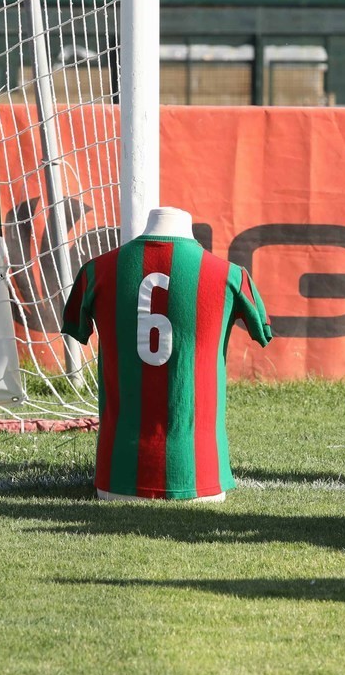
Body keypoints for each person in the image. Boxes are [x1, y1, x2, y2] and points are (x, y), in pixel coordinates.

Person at [61, 206, 273, 502]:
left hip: (117, 478)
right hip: (201, 476)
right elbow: (262, 331)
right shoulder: (232, 276)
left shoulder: (96, 270)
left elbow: (76, 327)